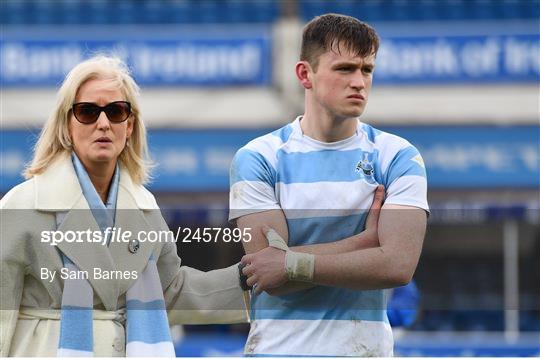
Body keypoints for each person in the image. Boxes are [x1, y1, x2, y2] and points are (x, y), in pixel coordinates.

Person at [0, 55, 246, 357]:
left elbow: (171, 293)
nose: (103, 123)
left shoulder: (144, 207)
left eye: (116, 112)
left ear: (129, 126)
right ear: (67, 124)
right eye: (87, 111)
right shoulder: (22, 205)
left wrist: (248, 281)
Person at [229, 14, 428, 356]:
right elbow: (272, 278)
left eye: (367, 70)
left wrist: (292, 261)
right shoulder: (258, 158)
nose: (359, 82)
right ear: (305, 74)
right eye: (344, 69)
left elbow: (397, 266)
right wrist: (366, 242)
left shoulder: (399, 156)